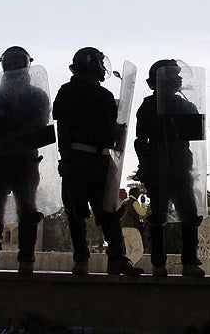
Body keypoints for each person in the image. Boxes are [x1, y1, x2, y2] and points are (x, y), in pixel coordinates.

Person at [53, 47, 143, 276]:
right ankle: (81, 259)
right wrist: (65, 159)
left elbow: (114, 130)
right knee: (76, 212)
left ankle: (118, 258)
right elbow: (62, 129)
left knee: (109, 213)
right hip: (78, 158)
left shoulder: (104, 96)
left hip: (102, 160)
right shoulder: (67, 92)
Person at [0, 46, 51, 274]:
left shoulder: (34, 95)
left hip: (21, 159)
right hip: (2, 159)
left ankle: (21, 258)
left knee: (24, 209)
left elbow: (41, 125)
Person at [134, 59, 205, 277]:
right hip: (157, 167)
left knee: (190, 215)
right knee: (157, 216)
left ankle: (189, 261)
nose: (179, 78)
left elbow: (195, 132)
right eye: (174, 75)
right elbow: (140, 140)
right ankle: (158, 263)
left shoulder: (184, 104)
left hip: (181, 166)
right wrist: (144, 164)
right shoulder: (148, 106)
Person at [118, 187, 146, 266]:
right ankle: (127, 266)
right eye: (138, 193)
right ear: (136, 193)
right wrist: (143, 203)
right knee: (138, 250)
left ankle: (128, 268)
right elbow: (142, 212)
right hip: (132, 228)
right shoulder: (133, 201)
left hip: (123, 228)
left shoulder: (124, 202)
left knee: (129, 251)